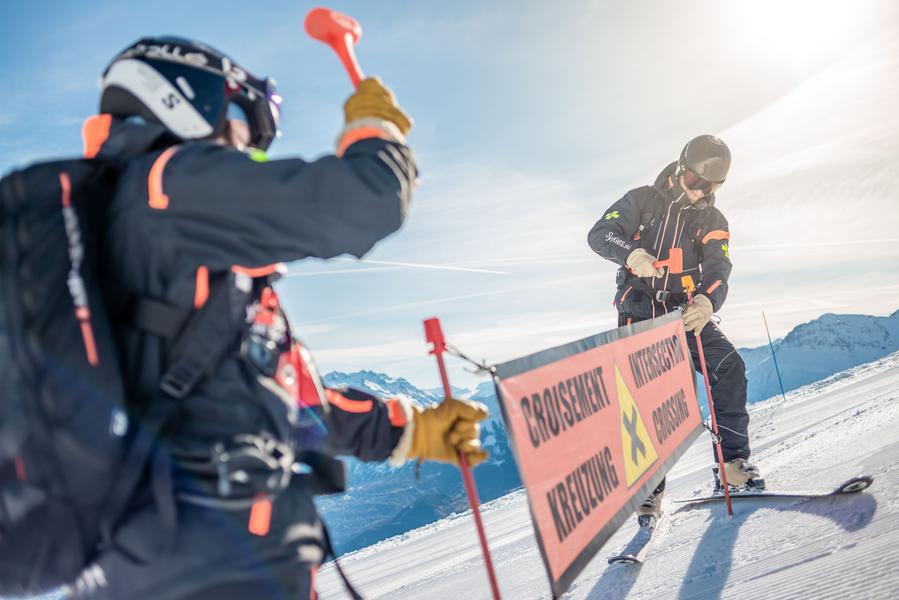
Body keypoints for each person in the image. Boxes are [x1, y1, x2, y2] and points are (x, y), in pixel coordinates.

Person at [63, 36, 489, 599]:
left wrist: (408, 429)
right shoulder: (161, 185)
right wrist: (376, 130)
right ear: (184, 99)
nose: (251, 148)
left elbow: (284, 407)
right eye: (242, 119)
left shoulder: (172, 253)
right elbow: (367, 199)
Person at [587, 135, 764, 521]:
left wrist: (706, 301)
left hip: (685, 313)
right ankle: (650, 490)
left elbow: (719, 268)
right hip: (641, 316)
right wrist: (632, 254)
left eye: (713, 186)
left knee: (728, 365)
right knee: (658, 399)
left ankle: (733, 466)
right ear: (681, 170)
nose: (702, 192)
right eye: (696, 181)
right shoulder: (642, 201)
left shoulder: (712, 220)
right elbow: (601, 233)